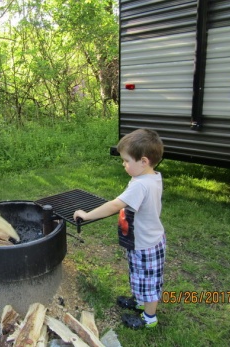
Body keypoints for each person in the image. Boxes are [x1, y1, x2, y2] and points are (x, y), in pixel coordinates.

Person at [73, 128, 165, 329]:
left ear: (143, 161)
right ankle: (140, 302)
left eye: (126, 161)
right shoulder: (152, 177)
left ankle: (149, 318)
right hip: (144, 239)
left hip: (145, 244)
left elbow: (115, 205)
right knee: (139, 275)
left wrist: (87, 215)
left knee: (148, 282)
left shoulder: (140, 185)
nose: (123, 164)